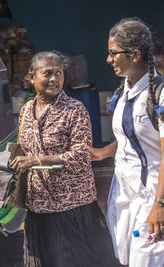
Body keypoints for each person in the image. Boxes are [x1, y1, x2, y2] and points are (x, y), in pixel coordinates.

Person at [10, 51, 121, 267]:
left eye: (58, 73)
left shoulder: (74, 110)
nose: (53, 79)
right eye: (47, 73)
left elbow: (80, 156)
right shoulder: (25, 110)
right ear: (32, 77)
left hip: (71, 208)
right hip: (37, 207)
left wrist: (35, 161)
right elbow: (22, 148)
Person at [89, 18, 164, 267]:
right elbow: (129, 139)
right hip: (123, 195)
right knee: (126, 257)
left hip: (153, 195)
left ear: (135, 55)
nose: (109, 60)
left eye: (113, 53)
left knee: (147, 259)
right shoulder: (124, 91)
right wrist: (102, 153)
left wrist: (159, 205)